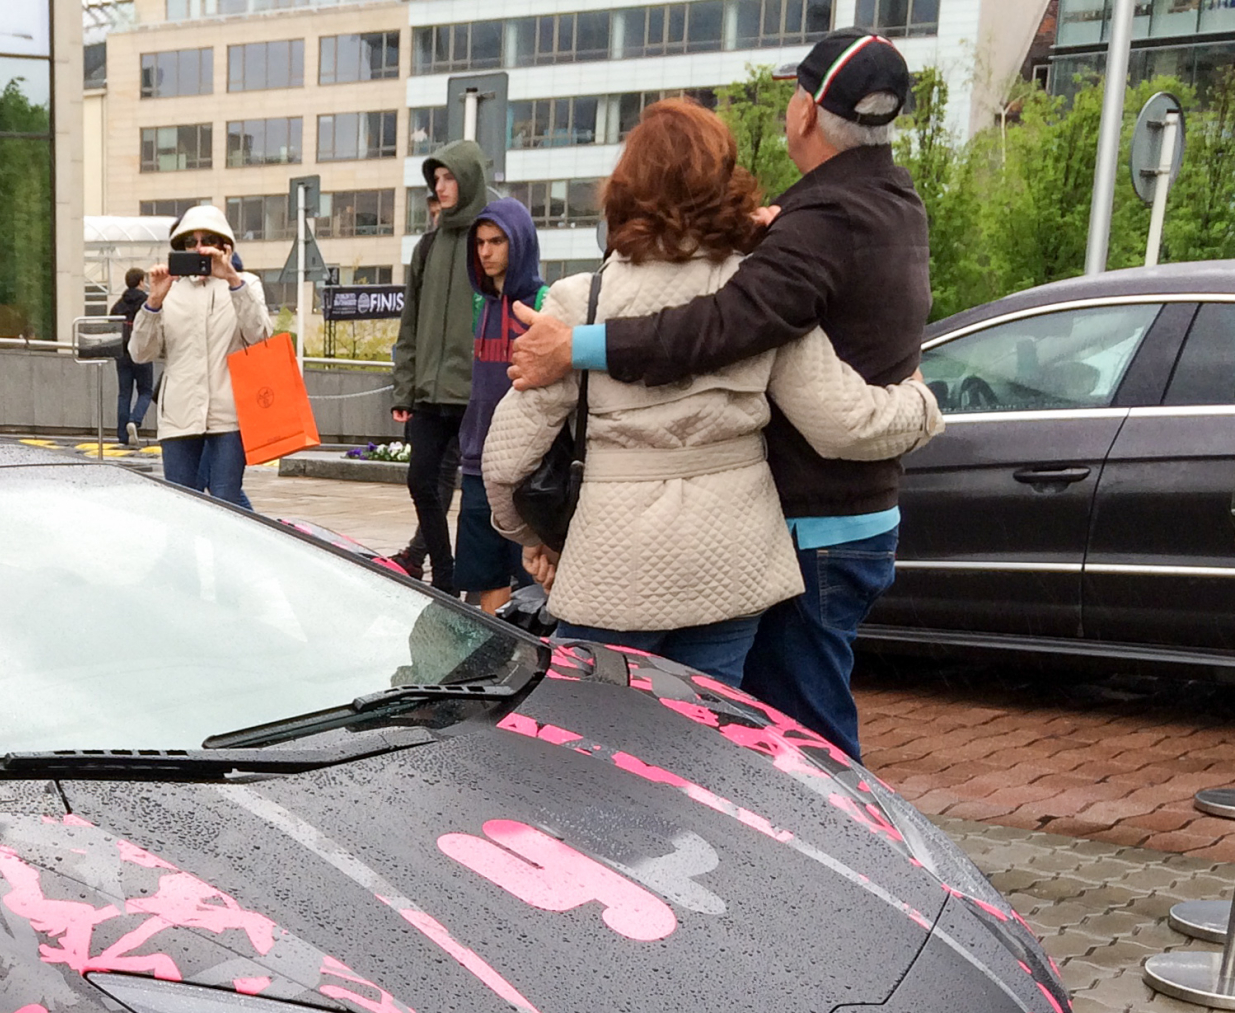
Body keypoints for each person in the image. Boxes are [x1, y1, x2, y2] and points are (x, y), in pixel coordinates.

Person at [506, 32, 929, 758]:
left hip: (799, 529)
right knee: (719, 752)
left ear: (802, 112)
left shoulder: (806, 233)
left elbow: (717, 329)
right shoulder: (888, 204)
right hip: (776, 549)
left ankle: (828, 866)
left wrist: (575, 351)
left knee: (793, 749)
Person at [389, 141, 489, 588]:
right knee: (421, 481)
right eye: (437, 179)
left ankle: (477, 578)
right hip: (430, 392)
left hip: (476, 392)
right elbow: (409, 323)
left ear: (468, 180)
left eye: (450, 178)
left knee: (480, 498)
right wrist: (404, 388)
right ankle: (444, 574)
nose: (441, 187)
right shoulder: (427, 247)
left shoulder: (489, 241)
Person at [129, 205, 270, 509]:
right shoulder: (170, 291)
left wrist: (233, 280)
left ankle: (230, 558)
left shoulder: (246, 284)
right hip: (179, 415)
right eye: (190, 243)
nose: (199, 248)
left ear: (224, 246)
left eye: (208, 240)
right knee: (182, 508)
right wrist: (153, 301)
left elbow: (260, 338)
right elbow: (140, 353)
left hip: (229, 415)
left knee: (226, 504)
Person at [454, 198, 545, 612]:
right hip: (477, 461)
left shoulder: (543, 303)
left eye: (496, 242)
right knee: (483, 577)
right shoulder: (478, 305)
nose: (485, 252)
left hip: (527, 464)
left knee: (531, 581)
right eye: (479, 243)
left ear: (519, 243)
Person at [109, 267, 156, 448]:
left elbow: (111, 328)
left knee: (124, 394)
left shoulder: (118, 305)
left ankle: (122, 435)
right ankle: (134, 421)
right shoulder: (146, 303)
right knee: (145, 391)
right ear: (141, 282)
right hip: (142, 352)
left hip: (121, 353)